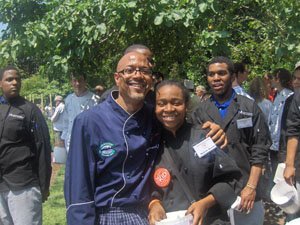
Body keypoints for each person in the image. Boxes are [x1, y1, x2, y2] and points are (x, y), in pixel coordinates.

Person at [64, 52, 227, 225]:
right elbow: (78, 187)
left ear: (150, 80)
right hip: (108, 215)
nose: (137, 75)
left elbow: (183, 129)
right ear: (117, 78)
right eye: (130, 70)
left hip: (150, 214)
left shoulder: (154, 116)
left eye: (144, 71)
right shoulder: (89, 121)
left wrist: (212, 130)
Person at [148, 80, 242, 225]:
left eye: (176, 102)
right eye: (161, 103)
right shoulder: (151, 144)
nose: (168, 109)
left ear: (186, 105)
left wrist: (205, 203)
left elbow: (232, 180)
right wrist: (154, 203)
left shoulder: (204, 137)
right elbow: (145, 185)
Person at [193, 56, 271, 225]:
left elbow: (260, 149)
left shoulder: (249, 108)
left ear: (232, 75)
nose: (216, 78)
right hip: (213, 196)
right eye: (211, 74)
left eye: (221, 73)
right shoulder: (200, 112)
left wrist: (250, 188)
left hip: (245, 192)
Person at [0, 66, 52, 225]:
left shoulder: (30, 111)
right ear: (1, 83)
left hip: (24, 186)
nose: (14, 82)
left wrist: (44, 186)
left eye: (17, 79)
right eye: (9, 79)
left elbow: (42, 148)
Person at [61, 71, 99, 151]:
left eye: (80, 80)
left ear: (85, 81)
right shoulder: (68, 99)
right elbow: (66, 122)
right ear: (71, 82)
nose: (77, 84)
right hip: (70, 141)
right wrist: (63, 139)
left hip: (89, 141)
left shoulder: (94, 99)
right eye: (74, 80)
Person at [268, 68, 293, 182]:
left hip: (283, 144)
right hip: (274, 143)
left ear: (278, 79)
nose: (271, 80)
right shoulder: (277, 95)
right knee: (275, 173)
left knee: (282, 174)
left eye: (273, 78)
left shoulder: (289, 96)